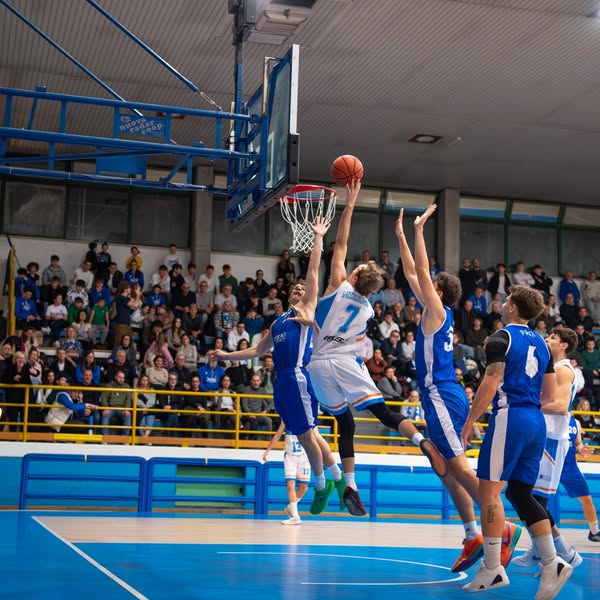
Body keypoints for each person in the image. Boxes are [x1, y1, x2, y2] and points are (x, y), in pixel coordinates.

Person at [307, 181, 447, 518]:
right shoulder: (369, 308)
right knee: (383, 414)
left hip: (317, 365)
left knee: (345, 423)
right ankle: (420, 442)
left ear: (354, 277)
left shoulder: (337, 285)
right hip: (344, 361)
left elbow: (340, 243)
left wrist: (350, 203)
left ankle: (350, 484)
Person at [396, 203, 519, 573]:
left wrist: (419, 232)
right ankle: (472, 535)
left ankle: (502, 526)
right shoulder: (433, 313)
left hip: (442, 394)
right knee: (446, 471)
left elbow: (418, 269)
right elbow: (408, 271)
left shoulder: (437, 311)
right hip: (438, 396)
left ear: (438, 291)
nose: (421, 287)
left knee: (461, 470)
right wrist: (401, 235)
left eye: (428, 286)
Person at [211, 217, 346, 515]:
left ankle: (323, 484)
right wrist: (224, 355)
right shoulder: (278, 321)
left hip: (299, 376)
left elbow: (313, 272)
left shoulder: (308, 309)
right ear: (287, 295)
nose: (299, 291)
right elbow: (256, 350)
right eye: (295, 290)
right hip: (281, 381)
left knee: (309, 434)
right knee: (305, 433)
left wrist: (318, 238)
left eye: (302, 290)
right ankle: (336, 479)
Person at [461, 287, 572, 596]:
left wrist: (470, 421)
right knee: (521, 494)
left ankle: (493, 568)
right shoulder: (542, 343)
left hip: (511, 418)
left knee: (490, 492)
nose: (504, 302)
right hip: (537, 422)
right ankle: (553, 563)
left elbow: (491, 381)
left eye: (507, 300)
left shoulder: (501, 338)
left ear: (512, 307)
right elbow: (549, 396)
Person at [511, 326, 583, 569]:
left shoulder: (563, 370)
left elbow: (561, 405)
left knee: (528, 496)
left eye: (553, 337)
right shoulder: (553, 367)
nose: (547, 339)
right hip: (544, 434)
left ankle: (562, 551)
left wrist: (527, 404)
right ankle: (542, 550)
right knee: (528, 496)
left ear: (563, 345)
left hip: (552, 439)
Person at [559, 416, 600, 541]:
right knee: (540, 499)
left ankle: (594, 532)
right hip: (551, 465)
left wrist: (581, 449)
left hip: (570, 467)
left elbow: (578, 443)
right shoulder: (548, 416)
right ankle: (542, 536)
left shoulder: (575, 422)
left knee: (586, 498)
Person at [263, 420, 310, 525]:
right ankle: (295, 516)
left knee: (304, 487)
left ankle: (290, 507)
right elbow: (277, 435)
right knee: (290, 484)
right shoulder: (286, 419)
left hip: (304, 457)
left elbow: (315, 438)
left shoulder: (307, 417)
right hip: (290, 456)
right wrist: (267, 451)